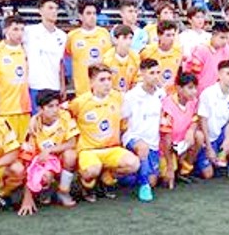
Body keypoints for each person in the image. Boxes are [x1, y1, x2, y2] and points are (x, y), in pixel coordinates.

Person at [68, 64, 140, 202]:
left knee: (133, 164)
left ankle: (107, 179)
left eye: (108, 79)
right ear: (91, 82)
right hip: (89, 150)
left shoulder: (118, 97)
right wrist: (36, 119)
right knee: (92, 169)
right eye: (102, 80)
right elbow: (63, 114)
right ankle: (87, 185)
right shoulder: (80, 102)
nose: (107, 83)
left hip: (111, 148)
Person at [18, 90, 80, 214]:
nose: (55, 109)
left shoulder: (65, 116)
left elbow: (72, 143)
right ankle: (45, 190)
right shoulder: (33, 128)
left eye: (57, 105)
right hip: (44, 165)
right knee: (44, 176)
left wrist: (49, 150)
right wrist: (27, 198)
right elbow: (27, 163)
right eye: (50, 106)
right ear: (40, 109)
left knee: (71, 155)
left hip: (61, 161)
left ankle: (64, 192)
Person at [196, 60, 229, 181]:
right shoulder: (208, 94)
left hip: (221, 134)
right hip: (208, 138)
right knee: (207, 174)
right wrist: (209, 147)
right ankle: (201, 161)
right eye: (228, 74)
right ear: (219, 75)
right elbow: (202, 121)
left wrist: (228, 138)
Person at [121, 59, 166, 202]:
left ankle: (119, 176)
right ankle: (144, 186)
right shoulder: (131, 96)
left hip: (153, 142)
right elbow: (122, 119)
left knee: (153, 180)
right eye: (151, 73)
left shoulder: (161, 94)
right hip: (134, 138)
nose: (156, 76)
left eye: (158, 72)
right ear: (142, 73)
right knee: (143, 148)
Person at [23, 0, 67, 115]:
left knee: (52, 121)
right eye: (50, 8)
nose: (54, 11)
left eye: (56, 9)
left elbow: (60, 62)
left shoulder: (62, 36)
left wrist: (62, 85)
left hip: (54, 86)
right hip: (35, 85)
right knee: (36, 120)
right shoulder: (29, 32)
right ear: (40, 11)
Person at [160, 72, 203, 187]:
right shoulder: (167, 106)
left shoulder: (193, 101)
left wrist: (191, 130)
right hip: (167, 148)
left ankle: (184, 170)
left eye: (195, 88)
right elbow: (166, 139)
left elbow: (194, 119)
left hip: (182, 143)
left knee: (199, 136)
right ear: (179, 88)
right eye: (190, 88)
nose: (194, 91)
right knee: (161, 179)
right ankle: (172, 167)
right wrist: (169, 166)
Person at [0, 15, 31, 142]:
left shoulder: (27, 49)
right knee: (7, 145)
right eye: (15, 29)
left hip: (24, 107)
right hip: (5, 108)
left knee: (23, 145)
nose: (19, 33)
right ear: (5, 31)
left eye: (22, 29)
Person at [66, 1, 112, 96]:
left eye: (94, 13)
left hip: (102, 90)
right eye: (88, 13)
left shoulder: (104, 33)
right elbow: (66, 57)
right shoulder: (72, 36)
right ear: (80, 16)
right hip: (82, 90)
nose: (92, 16)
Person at [185, 23, 229, 95]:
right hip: (199, 92)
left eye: (226, 38)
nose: (225, 41)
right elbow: (193, 75)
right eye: (222, 37)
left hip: (216, 91)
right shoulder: (201, 50)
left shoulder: (226, 49)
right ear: (213, 35)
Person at [140, 21, 182, 90]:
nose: (171, 38)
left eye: (173, 35)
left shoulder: (179, 50)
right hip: (153, 91)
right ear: (159, 35)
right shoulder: (147, 52)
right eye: (168, 35)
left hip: (173, 93)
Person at [102, 25, 140, 93]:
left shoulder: (135, 58)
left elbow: (137, 81)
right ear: (115, 40)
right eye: (124, 38)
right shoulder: (106, 59)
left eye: (130, 38)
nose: (128, 42)